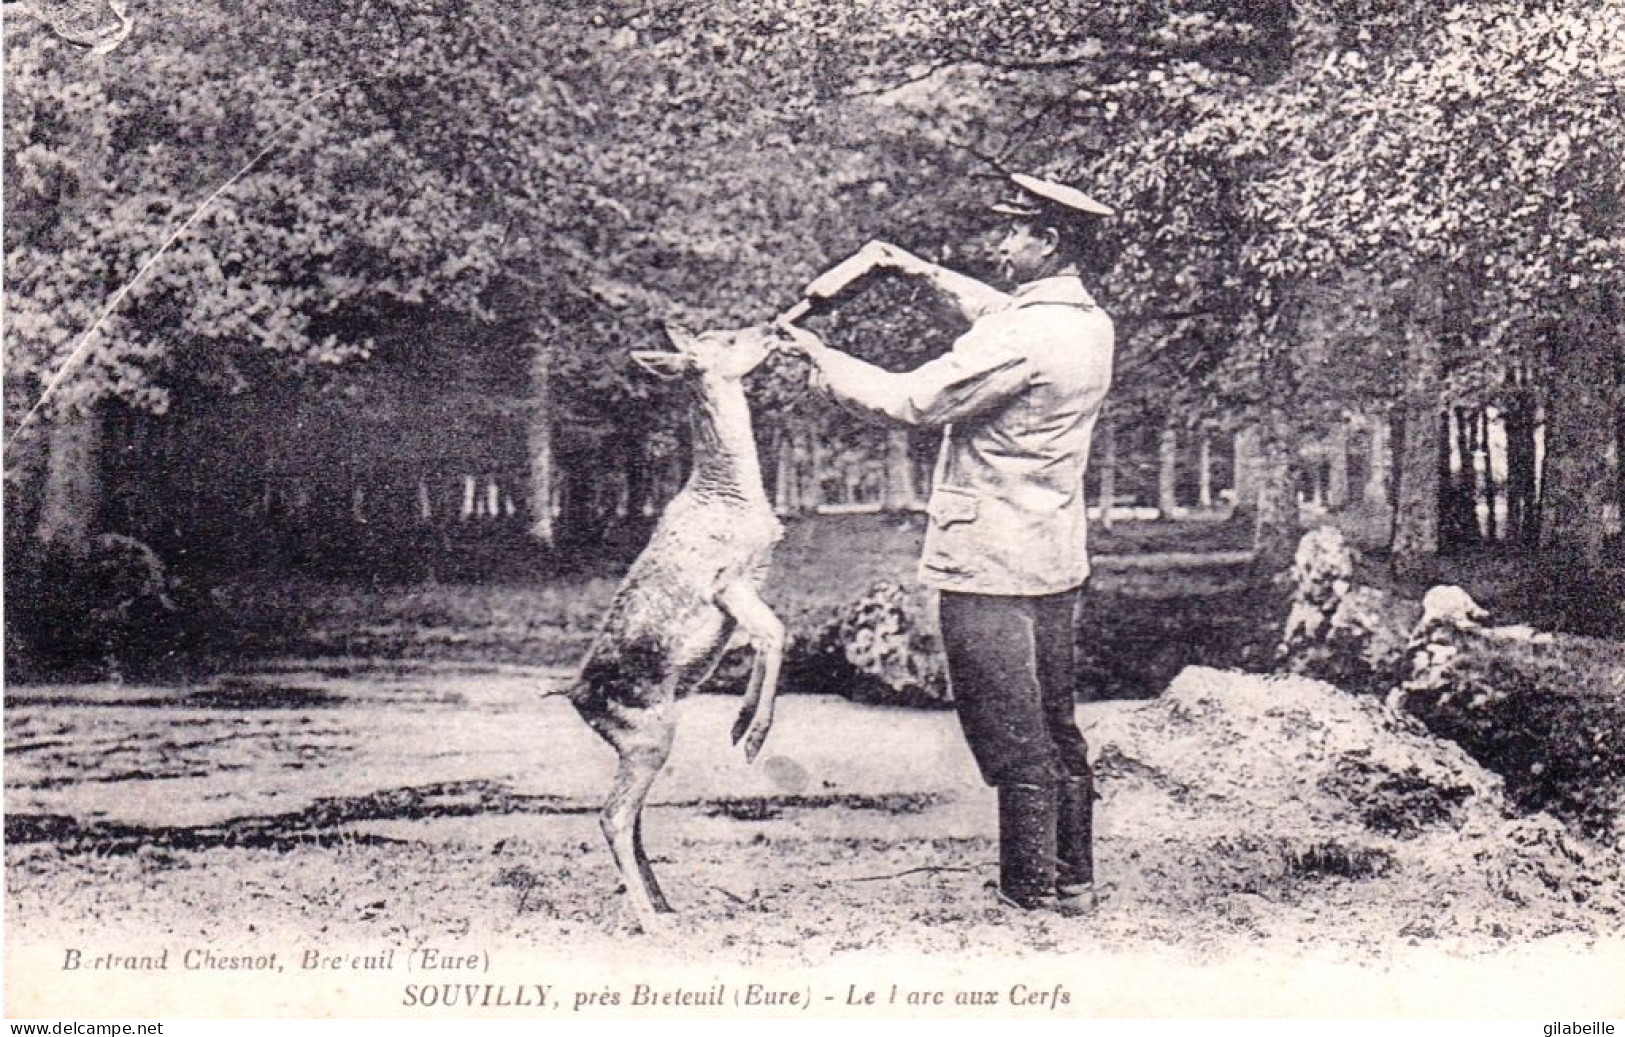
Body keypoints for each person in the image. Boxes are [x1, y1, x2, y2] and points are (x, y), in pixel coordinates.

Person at [778, 173, 1115, 914]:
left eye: (1012, 233)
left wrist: (815, 357)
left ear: (1047, 242)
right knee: (1056, 724)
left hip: (987, 558)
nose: (998, 245)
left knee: (1006, 732)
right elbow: (997, 310)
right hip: (1051, 557)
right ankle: (1072, 881)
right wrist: (915, 270)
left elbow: (912, 400)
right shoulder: (1086, 322)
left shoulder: (1022, 335)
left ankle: (1028, 890)